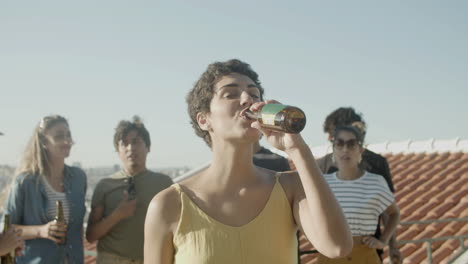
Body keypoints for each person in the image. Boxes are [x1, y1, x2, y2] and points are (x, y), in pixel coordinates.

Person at [144, 59, 353, 264]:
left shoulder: (291, 189)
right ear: (204, 119)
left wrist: (297, 149)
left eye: (254, 94)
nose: (247, 99)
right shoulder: (169, 204)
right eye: (231, 94)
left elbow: (337, 247)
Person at [316, 107, 402, 263]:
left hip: (366, 252)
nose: (345, 149)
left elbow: (390, 212)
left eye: (351, 144)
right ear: (333, 145)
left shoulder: (376, 172)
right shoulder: (321, 177)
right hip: (330, 255)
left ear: (360, 148)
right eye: (339, 143)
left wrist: (387, 242)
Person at [86, 116, 173, 264]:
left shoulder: (164, 184)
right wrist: (118, 215)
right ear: (117, 150)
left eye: (136, 142)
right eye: (124, 143)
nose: (130, 148)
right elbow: (91, 235)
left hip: (150, 259)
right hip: (111, 259)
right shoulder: (105, 185)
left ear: (148, 147)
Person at [4, 115, 87, 263]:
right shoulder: (25, 182)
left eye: (68, 135)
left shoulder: (79, 178)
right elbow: (7, 229)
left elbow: (78, 227)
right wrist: (40, 231)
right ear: (43, 142)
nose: (67, 140)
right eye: (59, 136)